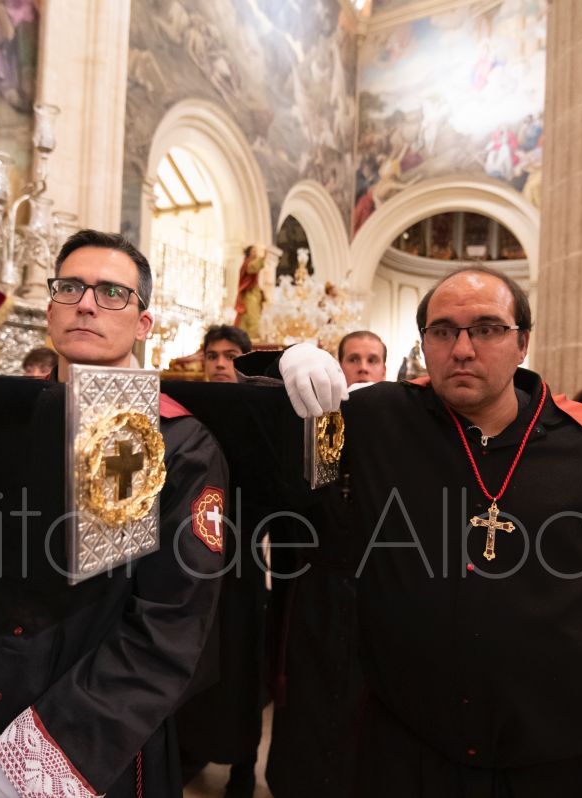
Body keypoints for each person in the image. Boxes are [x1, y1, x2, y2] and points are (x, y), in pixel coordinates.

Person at [203, 265, 582, 796]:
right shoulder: (379, 419)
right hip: (409, 749)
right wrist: (288, 358)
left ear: (522, 343)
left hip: (553, 758)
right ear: (424, 344)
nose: (462, 349)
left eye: (487, 329)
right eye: (443, 331)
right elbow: (250, 425)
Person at [0, 229, 229, 798]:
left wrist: (15, 769)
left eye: (112, 293)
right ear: (50, 311)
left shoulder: (180, 443)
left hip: (97, 733)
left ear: (143, 324)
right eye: (71, 288)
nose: (87, 304)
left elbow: (171, 620)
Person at [264, 330, 385, 798]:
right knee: (308, 698)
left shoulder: (401, 429)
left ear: (384, 367)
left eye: (372, 359)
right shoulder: (313, 420)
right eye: (353, 358)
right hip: (316, 590)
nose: (363, 366)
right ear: (338, 366)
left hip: (376, 594)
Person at [176, 322, 266, 798]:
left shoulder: (263, 412)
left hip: (243, 563)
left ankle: (242, 764)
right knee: (190, 660)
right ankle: (189, 750)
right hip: (190, 559)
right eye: (212, 355)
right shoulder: (189, 408)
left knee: (241, 666)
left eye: (230, 356)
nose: (219, 364)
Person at [233, 245, 265, 339]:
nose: (256, 253)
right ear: (249, 253)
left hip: (253, 293)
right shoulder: (247, 263)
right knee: (252, 317)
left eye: (256, 251)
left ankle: (246, 337)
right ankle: (251, 338)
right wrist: (262, 258)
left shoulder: (249, 262)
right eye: (253, 251)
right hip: (249, 294)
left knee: (249, 317)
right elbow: (252, 268)